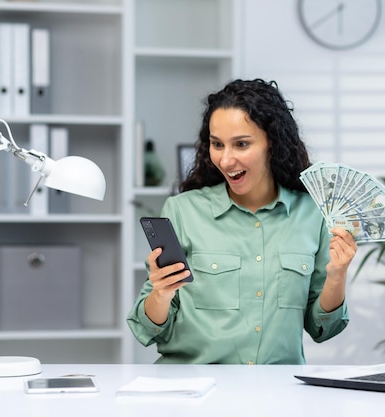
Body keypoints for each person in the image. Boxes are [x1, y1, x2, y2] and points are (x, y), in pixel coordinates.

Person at [127, 78, 358, 364]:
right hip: (196, 390)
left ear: (272, 143)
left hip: (276, 394)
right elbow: (147, 327)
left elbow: (323, 328)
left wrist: (337, 276)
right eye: (217, 144)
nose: (225, 160)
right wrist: (161, 294)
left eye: (241, 144)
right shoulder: (182, 211)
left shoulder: (312, 214)